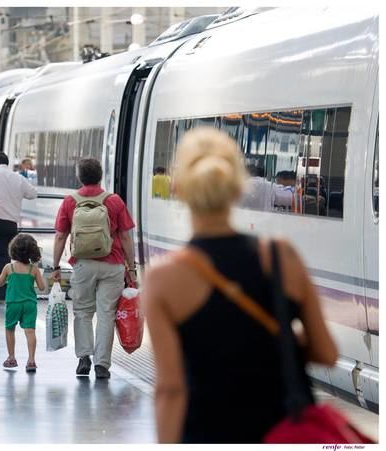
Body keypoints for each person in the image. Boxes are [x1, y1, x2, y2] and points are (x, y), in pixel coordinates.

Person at [142, 128, 338, 443]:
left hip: (205, 434)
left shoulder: (163, 279)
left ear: (178, 189)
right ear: (237, 190)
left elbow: (171, 389)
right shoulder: (282, 257)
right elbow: (327, 353)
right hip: (280, 432)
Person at [50, 157, 137, 379]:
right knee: (107, 314)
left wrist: (55, 266)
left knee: (83, 312)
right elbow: (126, 236)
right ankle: (102, 364)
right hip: (113, 264)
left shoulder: (70, 201)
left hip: (83, 265)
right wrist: (132, 268)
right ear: (100, 176)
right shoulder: (114, 201)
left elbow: (61, 236)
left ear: (79, 177)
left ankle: (84, 358)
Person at [0, 152, 37, 302]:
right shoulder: (18, 178)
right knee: (9, 256)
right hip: (10, 223)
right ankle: (8, 289)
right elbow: (33, 193)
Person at [0, 233, 45, 372]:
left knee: (10, 329)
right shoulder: (33, 269)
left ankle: (11, 358)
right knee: (30, 331)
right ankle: (31, 360)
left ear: (13, 250)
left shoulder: (8, 268)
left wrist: (7, 280)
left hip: (13, 303)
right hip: (30, 304)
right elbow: (42, 288)